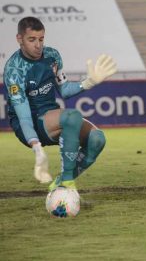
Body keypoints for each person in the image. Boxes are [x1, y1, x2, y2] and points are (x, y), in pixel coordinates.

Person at [3, 16, 117, 190]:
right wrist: (36, 147)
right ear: (20, 39)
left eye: (41, 39)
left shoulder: (52, 56)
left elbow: (64, 90)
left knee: (97, 139)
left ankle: (60, 183)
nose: (38, 45)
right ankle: (67, 183)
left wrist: (89, 82)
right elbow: (24, 116)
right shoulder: (14, 69)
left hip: (50, 115)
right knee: (72, 116)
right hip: (28, 124)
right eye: (31, 39)